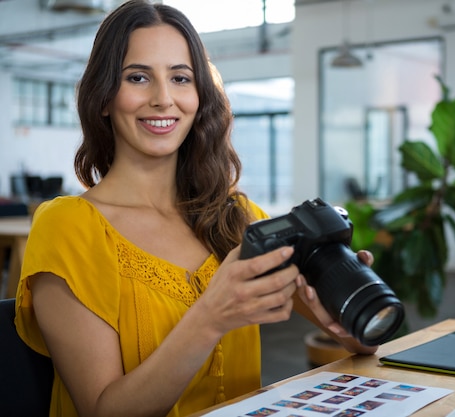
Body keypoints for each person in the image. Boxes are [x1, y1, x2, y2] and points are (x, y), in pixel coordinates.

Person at [14, 1, 377, 416]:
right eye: (138, 77)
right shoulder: (67, 227)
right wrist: (211, 317)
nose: (163, 99)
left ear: (199, 95)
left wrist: (348, 309)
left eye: (181, 78)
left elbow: (368, 342)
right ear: (103, 98)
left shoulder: (236, 217)